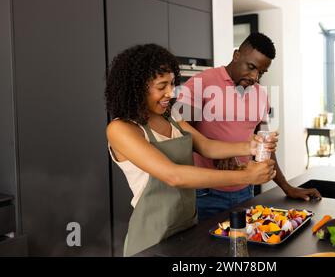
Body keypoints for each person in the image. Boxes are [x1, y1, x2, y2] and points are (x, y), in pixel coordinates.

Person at [105, 44, 278, 256]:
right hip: (152, 238)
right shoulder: (121, 129)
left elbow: (206, 146)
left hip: (187, 227)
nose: (171, 92)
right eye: (162, 86)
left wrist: (248, 146)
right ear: (137, 86)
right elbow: (174, 175)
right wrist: (246, 175)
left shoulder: (171, 117)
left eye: (172, 84)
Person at [176, 32, 321, 222]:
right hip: (205, 194)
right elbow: (180, 135)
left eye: (261, 72)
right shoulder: (201, 83)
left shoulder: (261, 94)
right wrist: (215, 154)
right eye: (251, 67)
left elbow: (264, 146)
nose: (254, 77)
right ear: (237, 55)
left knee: (244, 246)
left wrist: (287, 187)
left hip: (246, 189)